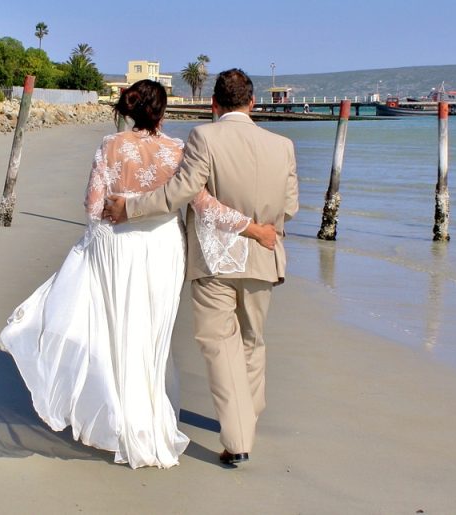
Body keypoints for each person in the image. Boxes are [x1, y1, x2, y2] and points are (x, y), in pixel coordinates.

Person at [0, 79, 274, 469]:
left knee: (119, 334)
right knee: (151, 338)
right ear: (161, 113)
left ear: (128, 110)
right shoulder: (179, 150)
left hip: (118, 248)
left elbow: (93, 208)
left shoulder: (109, 146)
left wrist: (112, 219)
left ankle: (120, 423)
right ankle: (150, 425)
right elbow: (206, 207)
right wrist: (255, 229)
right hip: (162, 251)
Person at [104, 69, 299, 466]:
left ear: (214, 104)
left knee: (219, 343)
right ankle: (248, 412)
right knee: (252, 339)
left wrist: (132, 208)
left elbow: (182, 191)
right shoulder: (284, 145)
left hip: (216, 258)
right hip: (264, 252)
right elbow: (290, 207)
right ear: (252, 102)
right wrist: (259, 229)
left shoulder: (204, 137)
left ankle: (239, 436)